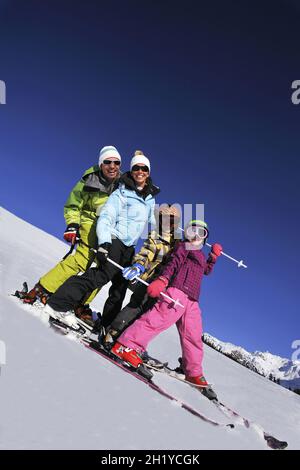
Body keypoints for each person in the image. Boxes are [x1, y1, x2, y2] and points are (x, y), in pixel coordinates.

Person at [44, 150, 160, 329]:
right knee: (101, 275)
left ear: (149, 172)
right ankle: (58, 304)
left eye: (144, 168)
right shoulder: (122, 191)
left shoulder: (150, 198)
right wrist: (104, 241)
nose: (140, 171)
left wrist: (172, 226)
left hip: (129, 247)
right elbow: (106, 216)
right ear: (131, 170)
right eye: (136, 167)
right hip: (114, 239)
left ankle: (105, 327)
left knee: (120, 288)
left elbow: (153, 220)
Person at [111, 219, 223, 397]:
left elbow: (206, 271)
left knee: (193, 335)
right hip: (177, 290)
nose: (195, 235)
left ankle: (193, 372)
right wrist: (163, 280)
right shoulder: (183, 247)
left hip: (193, 299)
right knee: (157, 319)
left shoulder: (201, 255)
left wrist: (213, 258)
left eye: (200, 233)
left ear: (204, 238)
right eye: (191, 230)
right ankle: (127, 346)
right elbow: (173, 263)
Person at [21, 146, 122, 323]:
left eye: (116, 162)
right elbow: (73, 205)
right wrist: (73, 225)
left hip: (111, 230)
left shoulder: (123, 185)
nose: (112, 166)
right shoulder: (90, 179)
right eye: (108, 162)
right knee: (81, 259)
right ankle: (43, 289)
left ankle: (80, 303)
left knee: (104, 268)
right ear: (101, 164)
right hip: (90, 223)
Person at [102, 204, 181, 348]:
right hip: (149, 280)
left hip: (164, 285)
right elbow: (147, 252)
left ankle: (127, 339)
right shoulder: (156, 236)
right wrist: (139, 264)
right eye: (163, 219)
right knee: (137, 305)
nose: (167, 223)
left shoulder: (177, 244)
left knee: (148, 313)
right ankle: (112, 331)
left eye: (171, 220)